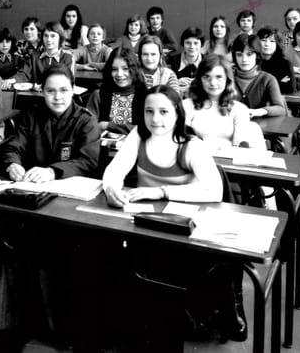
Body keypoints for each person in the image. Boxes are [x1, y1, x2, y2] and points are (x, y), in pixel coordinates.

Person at [102, 87, 242, 349]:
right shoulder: (138, 136)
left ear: (178, 114)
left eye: (164, 112)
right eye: (149, 111)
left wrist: (161, 191)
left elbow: (214, 191)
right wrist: (111, 188)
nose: (156, 119)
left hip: (185, 232)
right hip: (147, 226)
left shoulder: (191, 146)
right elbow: (114, 170)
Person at [0, 65, 100, 351]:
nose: (57, 97)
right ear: (42, 92)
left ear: (74, 90)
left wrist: (53, 171)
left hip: (69, 204)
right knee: (9, 245)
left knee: (51, 252)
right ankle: (12, 325)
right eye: (50, 91)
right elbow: (13, 146)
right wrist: (13, 164)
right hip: (33, 200)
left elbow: (88, 161)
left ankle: (56, 327)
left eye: (64, 90)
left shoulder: (85, 120)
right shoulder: (31, 115)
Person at [182, 54, 265, 151]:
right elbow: (182, 141)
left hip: (229, 157)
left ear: (227, 79)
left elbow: (240, 148)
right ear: (200, 79)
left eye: (219, 77)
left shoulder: (239, 109)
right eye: (206, 77)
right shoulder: (187, 105)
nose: (213, 83)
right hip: (194, 156)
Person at [84, 46, 146, 135]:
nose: (119, 74)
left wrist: (108, 125)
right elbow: (87, 127)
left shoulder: (145, 96)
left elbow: (145, 129)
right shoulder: (98, 95)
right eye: (114, 69)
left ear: (134, 69)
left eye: (125, 68)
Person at [231, 34, 286, 118]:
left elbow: (281, 109)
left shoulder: (268, 79)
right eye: (239, 55)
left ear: (257, 55)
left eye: (249, 54)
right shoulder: (227, 77)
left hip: (259, 124)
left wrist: (259, 111)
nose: (244, 59)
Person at [8, 22, 74, 88]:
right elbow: (24, 74)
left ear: (60, 38)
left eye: (53, 36)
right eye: (46, 36)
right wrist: (11, 80)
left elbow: (67, 81)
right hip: (35, 93)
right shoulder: (34, 56)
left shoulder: (67, 58)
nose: (49, 40)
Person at [256, 25, 297, 95]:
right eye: (263, 40)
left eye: (272, 41)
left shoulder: (285, 63)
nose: (267, 44)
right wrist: (279, 82)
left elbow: (290, 88)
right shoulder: (252, 61)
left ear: (277, 44)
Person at [167, 26, 205, 95]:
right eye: (188, 43)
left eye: (196, 43)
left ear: (201, 44)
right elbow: (165, 85)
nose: (192, 47)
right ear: (183, 43)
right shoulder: (172, 61)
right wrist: (175, 82)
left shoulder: (207, 61)